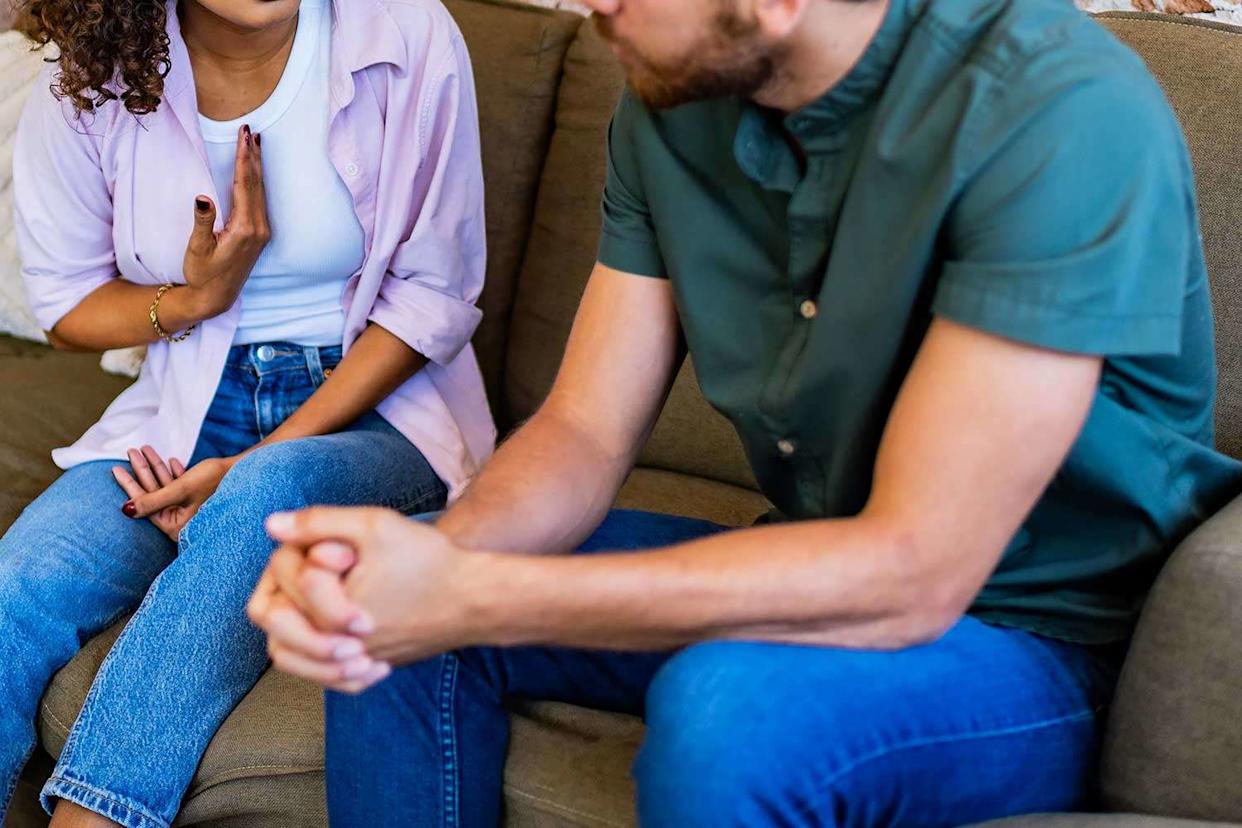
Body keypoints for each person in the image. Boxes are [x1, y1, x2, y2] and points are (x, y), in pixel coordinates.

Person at [249, 0, 1242, 825]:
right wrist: (436, 572)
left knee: (732, 707)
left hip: (1039, 636)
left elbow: (916, 570)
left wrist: (476, 597)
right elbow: (584, 432)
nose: (592, 3)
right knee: (387, 612)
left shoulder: (1056, 113)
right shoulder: (670, 107)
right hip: (812, 561)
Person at [0, 0, 491, 825]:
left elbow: (434, 296)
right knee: (18, 587)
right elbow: (66, 302)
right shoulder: (91, 78)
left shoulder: (406, 32)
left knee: (262, 496)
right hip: (185, 408)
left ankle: (96, 817)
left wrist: (247, 470)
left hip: (378, 414)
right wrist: (195, 298)